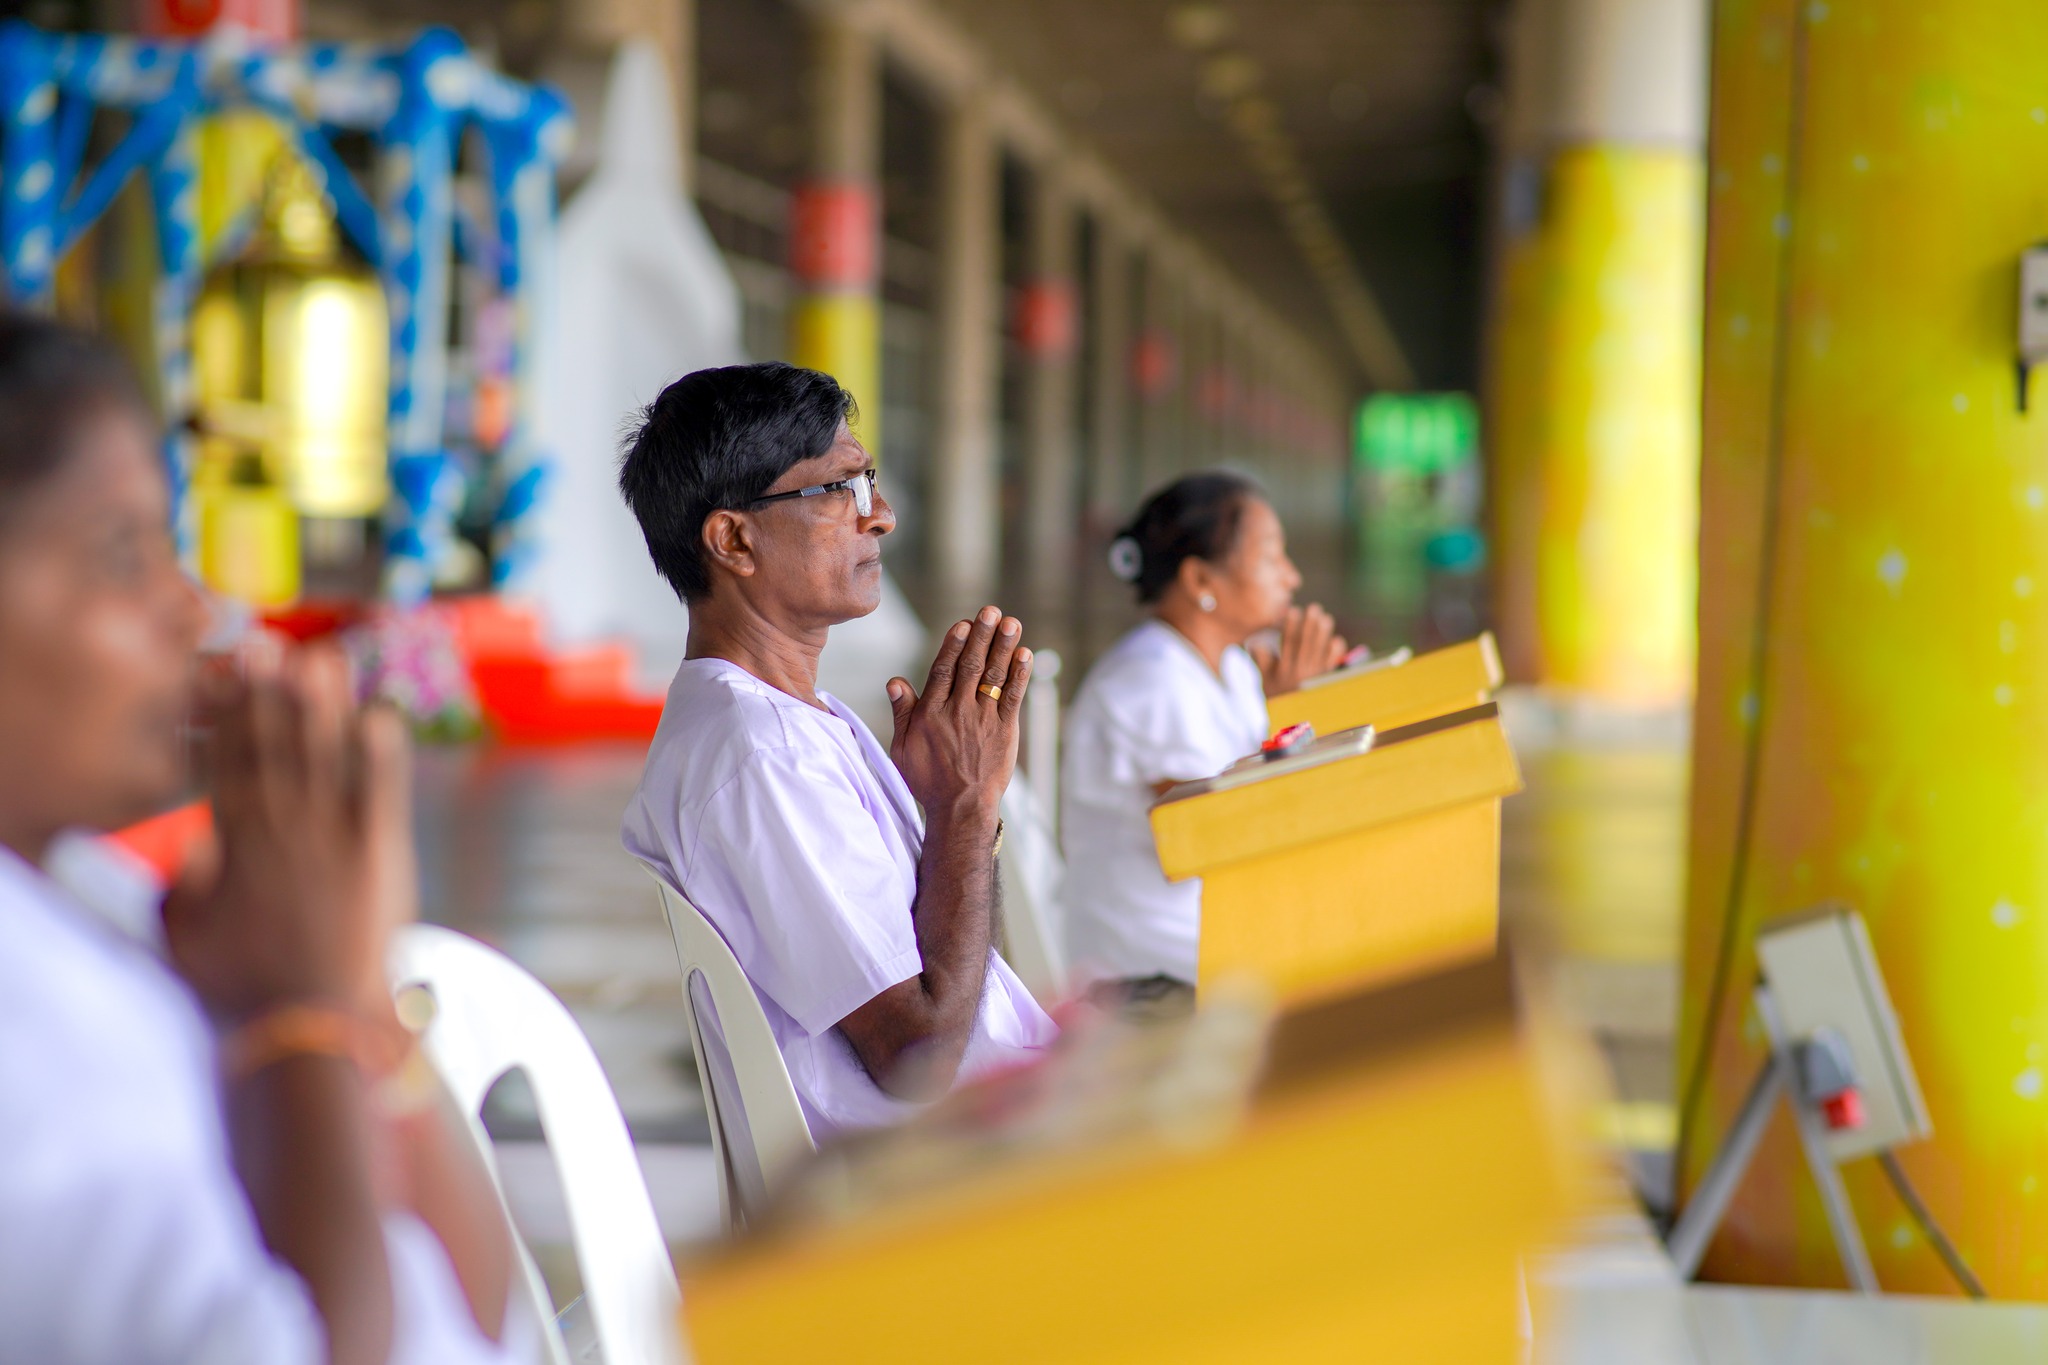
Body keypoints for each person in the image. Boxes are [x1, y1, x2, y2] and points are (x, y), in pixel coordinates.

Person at [0, 315, 529, 1365]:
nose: (191, 611)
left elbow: (486, 1321)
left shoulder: (88, 896)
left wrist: (357, 996)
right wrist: (297, 1020)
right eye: (121, 556)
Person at [619, 362, 1056, 1140]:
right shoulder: (760, 753)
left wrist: (947, 807)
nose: (880, 515)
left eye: (872, 482)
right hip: (938, 1176)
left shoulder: (791, 717)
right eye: (842, 489)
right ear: (734, 539)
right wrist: (963, 807)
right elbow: (919, 1059)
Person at [1061, 472, 1349, 1005]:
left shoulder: (1234, 667)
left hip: (1209, 929)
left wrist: (1299, 712)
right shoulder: (1151, 680)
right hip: (1151, 962)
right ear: (1200, 581)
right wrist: (1296, 715)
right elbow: (1215, 835)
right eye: (1271, 558)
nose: (1291, 576)